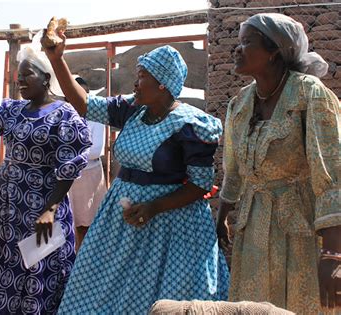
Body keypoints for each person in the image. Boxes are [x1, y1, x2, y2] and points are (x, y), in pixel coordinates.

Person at [44, 34, 229, 312]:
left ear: (162, 83)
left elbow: (200, 186)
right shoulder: (132, 110)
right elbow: (84, 105)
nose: (135, 82)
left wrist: (154, 207)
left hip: (171, 228)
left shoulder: (190, 125)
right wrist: (56, 59)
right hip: (122, 222)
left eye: (142, 76)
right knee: (98, 291)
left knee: (167, 297)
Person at [216, 13, 341, 313]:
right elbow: (233, 168)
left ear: (274, 51)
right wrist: (222, 215)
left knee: (303, 303)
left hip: (300, 227)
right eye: (237, 42)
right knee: (255, 306)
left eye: (247, 43)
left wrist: (333, 255)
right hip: (254, 227)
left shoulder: (309, 94)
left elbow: (332, 175)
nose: (237, 49)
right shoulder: (240, 104)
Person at [0, 38, 91, 315]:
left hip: (41, 207)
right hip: (6, 207)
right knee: (3, 266)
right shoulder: (11, 110)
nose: (20, 80)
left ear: (46, 78)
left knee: (38, 268)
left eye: (27, 75)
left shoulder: (64, 115)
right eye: (18, 75)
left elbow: (68, 168)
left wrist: (50, 209)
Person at [67, 75, 107, 252]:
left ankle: (82, 264)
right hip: (68, 177)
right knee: (68, 223)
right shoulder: (63, 115)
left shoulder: (95, 117)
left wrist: (66, 154)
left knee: (86, 224)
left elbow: (96, 150)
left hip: (88, 177)